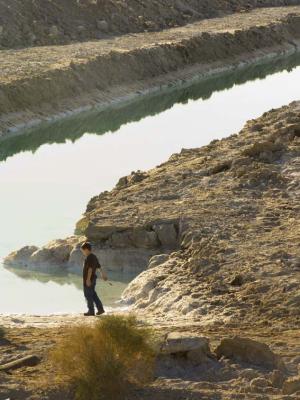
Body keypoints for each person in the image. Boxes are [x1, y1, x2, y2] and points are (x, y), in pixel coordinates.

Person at [81, 241, 108, 316]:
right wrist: (103, 275)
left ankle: (91, 311)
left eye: (83, 251)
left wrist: (88, 279)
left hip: (90, 279)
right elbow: (99, 267)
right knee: (93, 295)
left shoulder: (89, 257)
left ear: (86, 249)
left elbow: (90, 269)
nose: (83, 252)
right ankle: (100, 309)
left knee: (88, 295)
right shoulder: (94, 256)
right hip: (93, 279)